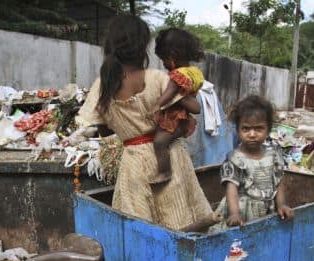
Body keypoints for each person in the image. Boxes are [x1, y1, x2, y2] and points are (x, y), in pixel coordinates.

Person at [77, 15, 220, 232]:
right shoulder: (159, 78)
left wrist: (127, 124)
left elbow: (104, 130)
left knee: (139, 230)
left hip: (133, 164)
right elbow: (193, 107)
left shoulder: (102, 85)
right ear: (144, 46)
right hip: (170, 160)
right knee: (183, 227)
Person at [209, 95, 294, 231]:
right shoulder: (235, 159)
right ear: (238, 130)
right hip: (242, 211)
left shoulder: (273, 155)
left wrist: (282, 205)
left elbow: (279, 183)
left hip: (267, 209)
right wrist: (235, 214)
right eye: (246, 129)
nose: (252, 134)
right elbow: (232, 189)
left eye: (259, 128)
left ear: (268, 129)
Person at [148, 28, 205, 185]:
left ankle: (164, 172)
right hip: (184, 117)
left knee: (159, 142)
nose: (165, 65)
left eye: (164, 60)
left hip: (175, 118)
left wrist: (157, 105)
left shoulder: (177, 76)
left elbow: (170, 94)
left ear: (171, 58)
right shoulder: (193, 72)